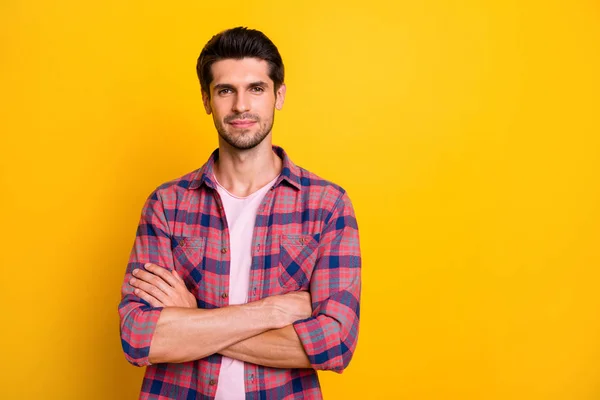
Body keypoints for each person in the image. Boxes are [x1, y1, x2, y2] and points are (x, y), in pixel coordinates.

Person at [118, 26, 361, 400]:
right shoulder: (167, 204)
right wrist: (273, 311)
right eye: (225, 90)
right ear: (206, 99)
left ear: (279, 95)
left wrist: (192, 317)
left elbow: (334, 344)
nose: (241, 106)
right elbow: (139, 337)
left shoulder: (326, 206)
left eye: (256, 89)